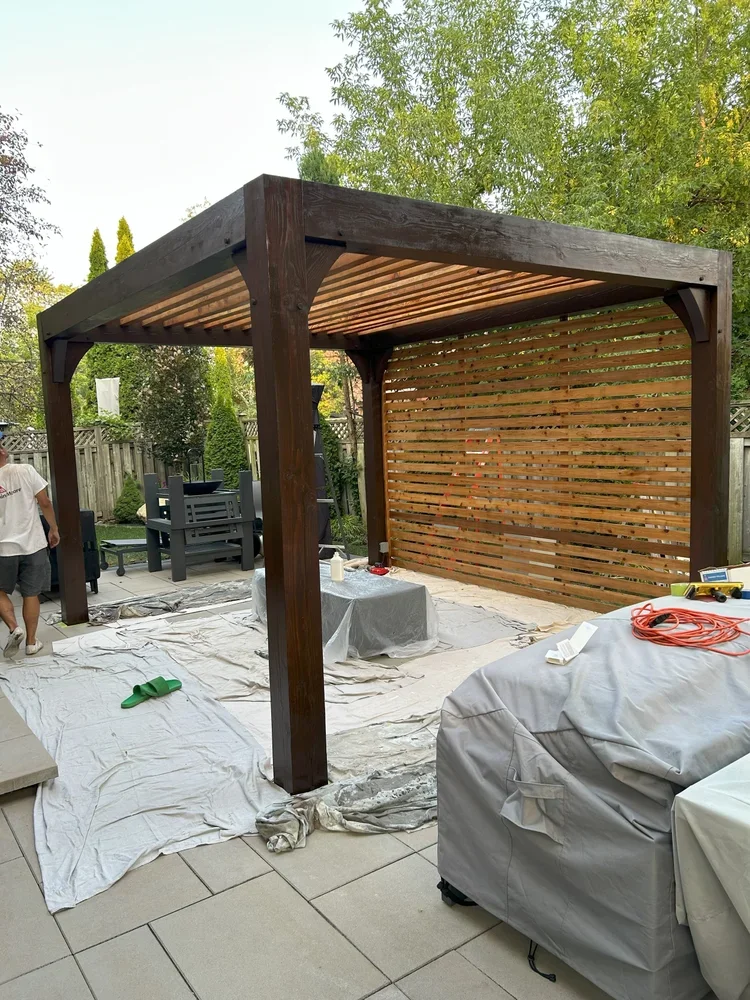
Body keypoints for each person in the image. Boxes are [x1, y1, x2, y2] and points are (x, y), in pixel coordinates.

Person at [0, 433, 59, 657]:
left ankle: (15, 628)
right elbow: (44, 502)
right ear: (4, 453)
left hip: (3, 547)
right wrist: (53, 529)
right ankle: (32, 643)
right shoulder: (25, 470)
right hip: (33, 544)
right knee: (31, 593)